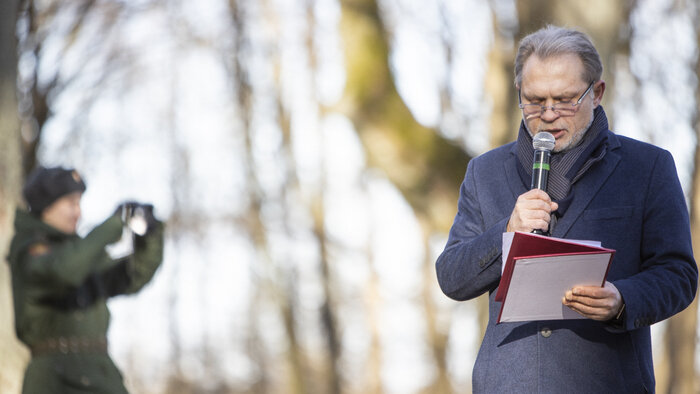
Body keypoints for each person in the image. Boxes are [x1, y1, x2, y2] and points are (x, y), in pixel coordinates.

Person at [435, 25, 697, 393]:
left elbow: (679, 275)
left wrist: (622, 300)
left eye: (564, 99)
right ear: (518, 94)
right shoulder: (485, 172)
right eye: (534, 100)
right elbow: (451, 276)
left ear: (597, 93)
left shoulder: (647, 167)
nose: (548, 114)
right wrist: (506, 232)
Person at [7, 166, 164, 393]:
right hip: (56, 378)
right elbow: (63, 271)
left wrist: (150, 235)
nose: (78, 213)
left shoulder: (81, 252)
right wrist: (113, 225)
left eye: (79, 203)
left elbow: (131, 277)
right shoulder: (31, 249)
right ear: (47, 206)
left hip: (101, 374)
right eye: (71, 203)